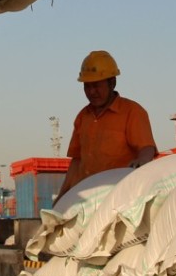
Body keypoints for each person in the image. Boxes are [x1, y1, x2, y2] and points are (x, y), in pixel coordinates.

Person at [55, 50, 157, 201]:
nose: (91, 92)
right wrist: (62, 196)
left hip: (118, 197)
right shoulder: (83, 117)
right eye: (87, 86)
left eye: (96, 85)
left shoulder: (132, 112)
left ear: (112, 82)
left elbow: (147, 148)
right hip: (86, 199)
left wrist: (142, 161)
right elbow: (76, 161)